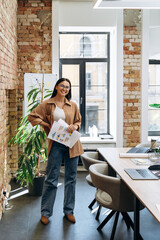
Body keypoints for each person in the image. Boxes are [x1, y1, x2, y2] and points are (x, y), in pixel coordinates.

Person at [28, 78, 84, 225]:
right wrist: (47, 124)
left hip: (72, 144)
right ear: (57, 87)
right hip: (57, 145)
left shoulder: (73, 105)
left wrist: (75, 126)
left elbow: (79, 121)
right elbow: (32, 116)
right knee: (52, 179)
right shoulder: (48, 103)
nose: (65, 89)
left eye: (67, 87)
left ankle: (68, 211)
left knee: (70, 179)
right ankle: (45, 212)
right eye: (62, 86)